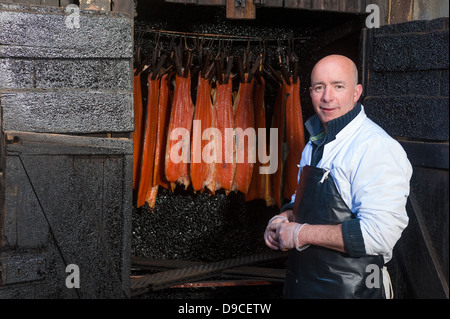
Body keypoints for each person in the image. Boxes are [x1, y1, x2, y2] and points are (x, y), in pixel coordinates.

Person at [264, 54, 412, 299]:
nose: (327, 97)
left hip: (353, 291)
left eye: (338, 86)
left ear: (356, 92)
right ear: (310, 92)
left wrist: (300, 233)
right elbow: (304, 200)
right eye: (319, 87)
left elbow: (379, 234)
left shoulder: (375, 147)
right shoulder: (315, 142)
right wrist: (283, 218)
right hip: (303, 286)